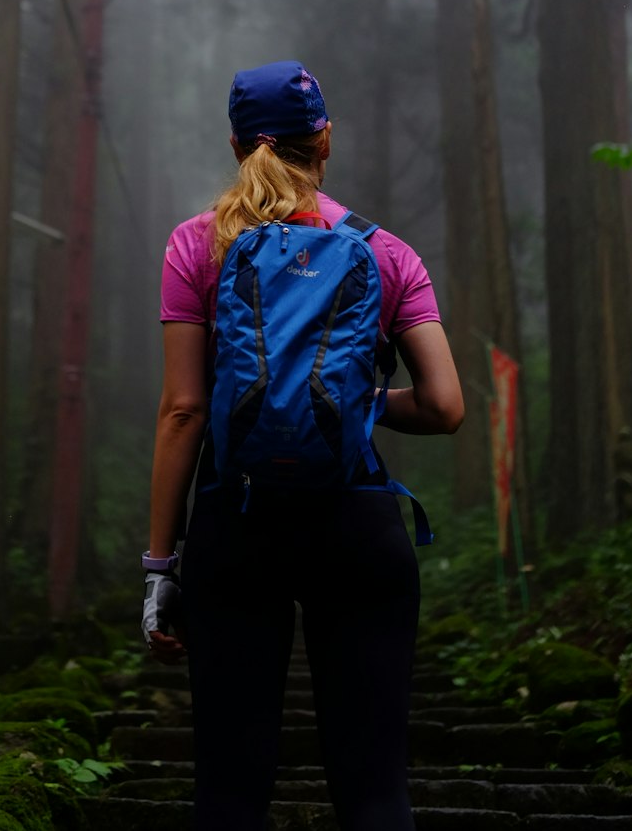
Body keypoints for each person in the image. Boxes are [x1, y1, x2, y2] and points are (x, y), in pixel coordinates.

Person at [142, 60, 464, 831]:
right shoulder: (387, 253)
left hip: (235, 525)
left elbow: (184, 411)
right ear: (325, 140)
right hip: (356, 523)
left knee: (229, 792)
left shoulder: (195, 247)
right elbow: (445, 406)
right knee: (376, 790)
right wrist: (354, 403)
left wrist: (161, 566)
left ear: (233, 144)